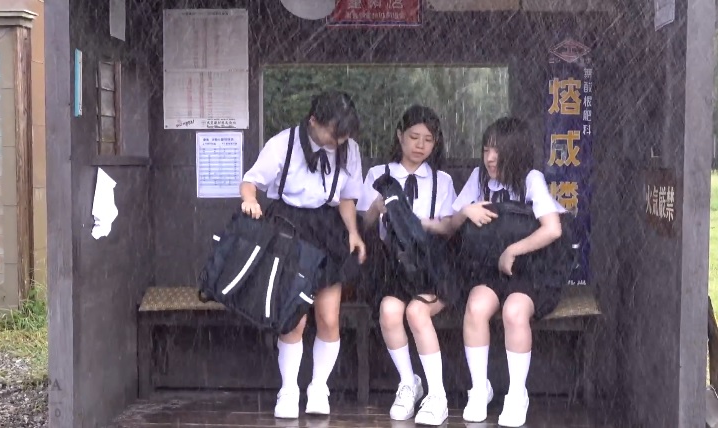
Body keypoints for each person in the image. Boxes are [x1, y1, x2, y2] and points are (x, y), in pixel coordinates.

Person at [239, 90, 367, 419]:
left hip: (328, 229)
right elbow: (250, 182)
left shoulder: (348, 149)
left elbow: (348, 198)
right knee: (293, 318)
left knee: (328, 317)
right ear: (313, 122)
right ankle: (289, 388)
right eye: (333, 133)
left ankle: (318, 387)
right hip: (287, 227)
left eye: (344, 134)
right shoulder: (283, 143)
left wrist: (353, 233)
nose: (339, 141)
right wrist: (250, 200)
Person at [449, 117, 566, 427]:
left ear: (515, 152)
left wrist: (513, 250)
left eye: (497, 151)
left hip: (531, 272)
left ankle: (516, 394)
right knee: (476, 308)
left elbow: (553, 229)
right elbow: (449, 226)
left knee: (515, 311)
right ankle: (479, 389)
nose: (489, 158)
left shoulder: (531, 180)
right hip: (487, 268)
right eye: (486, 149)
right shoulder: (477, 178)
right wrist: (465, 211)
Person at [357, 105, 457, 426]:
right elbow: (366, 224)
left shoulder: (442, 180)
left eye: (428, 139)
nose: (420, 145)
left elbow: (449, 228)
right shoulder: (379, 175)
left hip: (432, 266)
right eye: (413, 136)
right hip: (393, 266)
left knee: (416, 312)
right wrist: (379, 207)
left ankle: (437, 395)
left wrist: (412, 222)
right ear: (399, 135)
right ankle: (408, 382)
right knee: (389, 310)